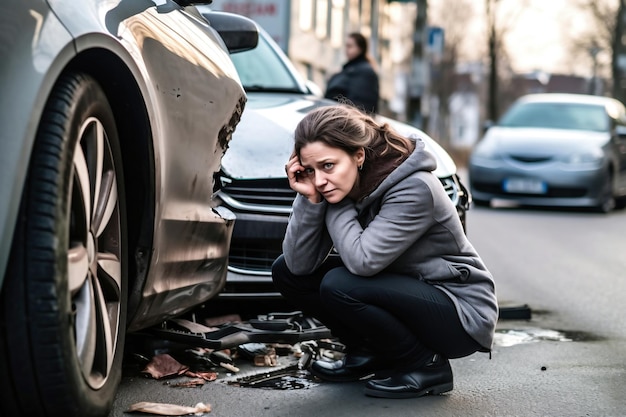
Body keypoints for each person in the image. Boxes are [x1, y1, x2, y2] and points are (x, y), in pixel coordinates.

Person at [272, 104, 498, 399]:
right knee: (285, 271)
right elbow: (299, 264)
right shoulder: (343, 183)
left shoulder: (414, 188)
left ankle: (426, 366)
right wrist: (310, 200)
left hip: (459, 311)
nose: (319, 181)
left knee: (341, 284)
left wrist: (335, 203)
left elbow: (362, 262)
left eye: (328, 166)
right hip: (405, 290)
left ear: (359, 155)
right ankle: (367, 354)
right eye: (310, 171)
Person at [324, 33, 379, 114]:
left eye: (350, 46)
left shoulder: (365, 72)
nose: (346, 49)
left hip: (345, 120)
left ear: (360, 49)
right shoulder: (349, 69)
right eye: (346, 46)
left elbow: (361, 105)